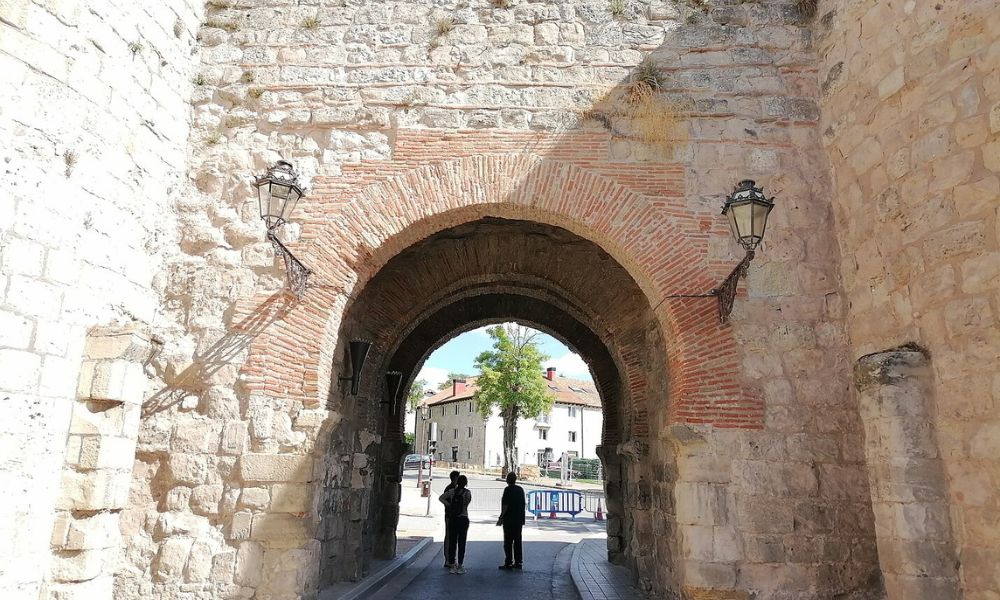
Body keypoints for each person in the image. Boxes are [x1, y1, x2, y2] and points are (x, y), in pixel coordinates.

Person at [439, 475, 472, 574]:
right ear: (465, 483)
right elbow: (467, 503)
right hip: (463, 518)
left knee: (452, 541)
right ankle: (460, 565)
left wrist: (449, 505)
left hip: (453, 518)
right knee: (462, 542)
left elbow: (441, 498)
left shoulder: (452, 491)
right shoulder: (467, 493)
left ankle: (452, 564)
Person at [497, 471, 525, 570]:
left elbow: (505, 505)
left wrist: (501, 518)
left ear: (507, 480)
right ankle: (518, 562)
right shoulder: (520, 490)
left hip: (509, 519)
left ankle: (508, 562)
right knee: (517, 541)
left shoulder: (507, 490)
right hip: (519, 519)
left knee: (508, 542)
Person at [441, 470, 460, 567]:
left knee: (453, 537)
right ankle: (448, 559)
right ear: (455, 478)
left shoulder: (455, 488)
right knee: (449, 537)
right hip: (449, 515)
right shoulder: (450, 489)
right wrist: (450, 505)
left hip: (454, 516)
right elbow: (442, 498)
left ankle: (451, 558)